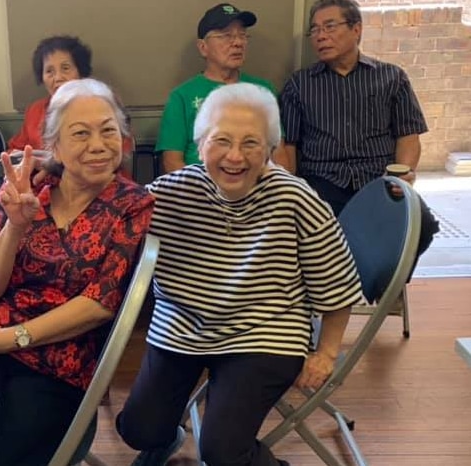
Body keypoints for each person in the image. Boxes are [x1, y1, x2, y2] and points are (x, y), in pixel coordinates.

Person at [116, 83, 363, 466]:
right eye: (221, 141)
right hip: (183, 325)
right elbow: (107, 221)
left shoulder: (296, 199)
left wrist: (327, 351)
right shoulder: (167, 194)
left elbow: (338, 283)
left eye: (251, 143)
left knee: (222, 451)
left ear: (269, 149)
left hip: (265, 331)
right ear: (200, 144)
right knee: (138, 431)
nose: (235, 156)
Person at [0, 78, 154, 465]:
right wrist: (15, 226)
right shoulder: (27, 187)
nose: (98, 146)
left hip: (61, 353)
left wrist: (11, 339)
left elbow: (100, 304)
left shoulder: (131, 205)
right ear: (57, 145)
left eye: (108, 131)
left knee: (15, 443)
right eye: (81, 133)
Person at [279, 0, 438, 256]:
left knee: (424, 227)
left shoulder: (392, 78)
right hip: (323, 182)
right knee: (315, 236)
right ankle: (350, 285)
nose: (320, 36)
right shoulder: (299, 85)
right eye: (315, 30)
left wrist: (405, 174)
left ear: (357, 29)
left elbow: (408, 136)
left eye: (330, 26)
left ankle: (379, 284)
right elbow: (288, 147)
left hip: (380, 180)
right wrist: (293, 190)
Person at [156, 3, 280, 174]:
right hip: (200, 192)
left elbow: (279, 153)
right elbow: (172, 162)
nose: (237, 43)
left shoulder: (263, 91)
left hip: (256, 190)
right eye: (226, 35)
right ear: (203, 47)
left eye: (242, 35)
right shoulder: (182, 96)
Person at [7, 35, 92, 151]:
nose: (58, 78)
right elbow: (15, 150)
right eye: (49, 71)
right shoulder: (34, 111)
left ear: (81, 72)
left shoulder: (100, 105)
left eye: (65, 68)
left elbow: (115, 150)